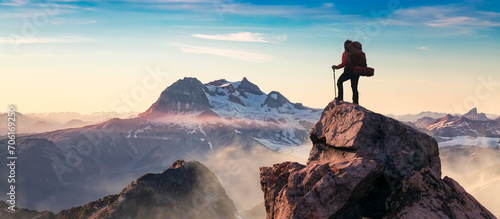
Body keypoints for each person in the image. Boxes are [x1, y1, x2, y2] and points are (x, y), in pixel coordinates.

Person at [331, 40, 366, 104]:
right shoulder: (359, 53)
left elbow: (344, 63)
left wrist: (336, 67)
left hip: (349, 71)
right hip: (357, 71)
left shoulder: (346, 53)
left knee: (339, 82)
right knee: (354, 87)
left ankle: (340, 97)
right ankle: (355, 102)